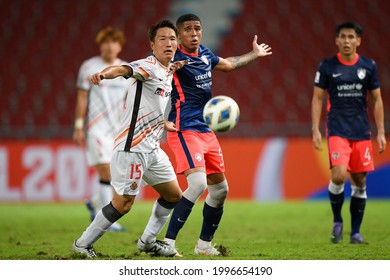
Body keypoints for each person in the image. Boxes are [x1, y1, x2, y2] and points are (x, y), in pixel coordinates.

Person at [152, 14, 272, 256]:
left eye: (197, 29)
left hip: (206, 130)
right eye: (187, 30)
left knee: (220, 190)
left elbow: (228, 64)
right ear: (178, 35)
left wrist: (254, 54)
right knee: (197, 183)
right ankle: (168, 242)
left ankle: (204, 245)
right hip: (184, 129)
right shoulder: (172, 58)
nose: (194, 33)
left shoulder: (205, 54)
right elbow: (153, 74)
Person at [73, 19, 188, 258]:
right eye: (162, 39)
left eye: (173, 38)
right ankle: (82, 244)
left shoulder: (167, 72)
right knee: (123, 204)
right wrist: (104, 74)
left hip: (153, 148)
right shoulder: (147, 66)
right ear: (152, 44)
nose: (169, 43)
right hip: (132, 147)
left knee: (173, 195)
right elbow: (123, 70)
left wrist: (163, 123)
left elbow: (150, 105)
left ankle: (147, 242)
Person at [312, 21, 386, 244]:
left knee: (360, 181)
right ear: (336, 40)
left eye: (351, 37)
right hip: (337, 129)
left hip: (361, 131)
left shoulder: (368, 66)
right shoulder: (327, 66)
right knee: (338, 175)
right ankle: (337, 221)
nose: (347, 41)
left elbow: (377, 99)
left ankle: (355, 233)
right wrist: (315, 129)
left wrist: (381, 131)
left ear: (358, 41)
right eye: (343, 36)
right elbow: (317, 98)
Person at [73, 27, 128, 232]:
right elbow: (82, 97)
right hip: (96, 129)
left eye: (114, 42)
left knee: (117, 176)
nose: (110, 46)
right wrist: (79, 126)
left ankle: (95, 202)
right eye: (106, 42)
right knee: (105, 170)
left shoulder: (125, 69)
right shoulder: (89, 67)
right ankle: (107, 221)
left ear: (120, 46)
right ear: (100, 45)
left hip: (118, 130)